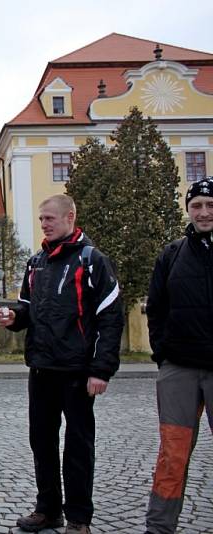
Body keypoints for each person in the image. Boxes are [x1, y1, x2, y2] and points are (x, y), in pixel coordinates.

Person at [0, 194, 123, 534]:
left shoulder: (92, 260)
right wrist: (13, 316)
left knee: (78, 446)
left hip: (78, 372)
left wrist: (101, 369)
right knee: (42, 442)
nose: (45, 224)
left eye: (50, 218)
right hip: (41, 368)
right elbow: (27, 308)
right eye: (41, 220)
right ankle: (48, 510)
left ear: (69, 217)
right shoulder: (36, 262)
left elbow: (111, 318)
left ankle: (78, 518)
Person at [144, 177, 213, 534]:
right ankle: (159, 528)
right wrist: (163, 354)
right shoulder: (171, 254)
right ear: (188, 210)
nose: (203, 212)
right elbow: (155, 309)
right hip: (179, 369)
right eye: (197, 205)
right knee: (173, 455)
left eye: (210, 205)